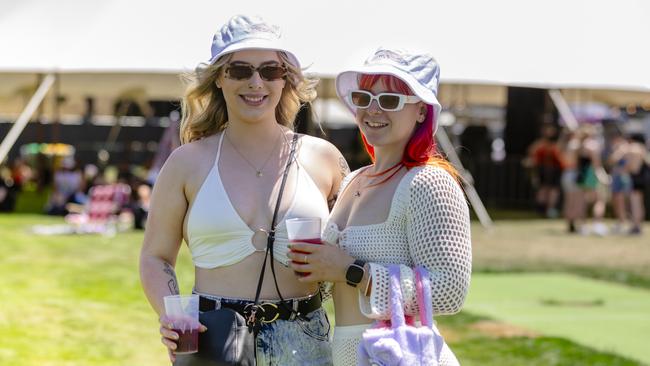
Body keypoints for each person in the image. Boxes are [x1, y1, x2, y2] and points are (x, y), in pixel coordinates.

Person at [139, 15, 348, 365]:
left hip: (306, 342)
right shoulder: (186, 163)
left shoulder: (324, 159)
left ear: (285, 80)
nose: (256, 82)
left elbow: (357, 249)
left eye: (270, 71)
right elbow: (155, 256)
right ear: (219, 78)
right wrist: (170, 314)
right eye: (239, 70)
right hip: (212, 342)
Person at [287, 48, 472, 365]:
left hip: (397, 353)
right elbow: (336, 280)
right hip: (344, 352)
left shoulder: (428, 182)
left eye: (389, 100)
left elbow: (449, 290)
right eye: (363, 97)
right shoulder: (354, 180)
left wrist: (352, 270)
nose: (373, 109)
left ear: (420, 111)